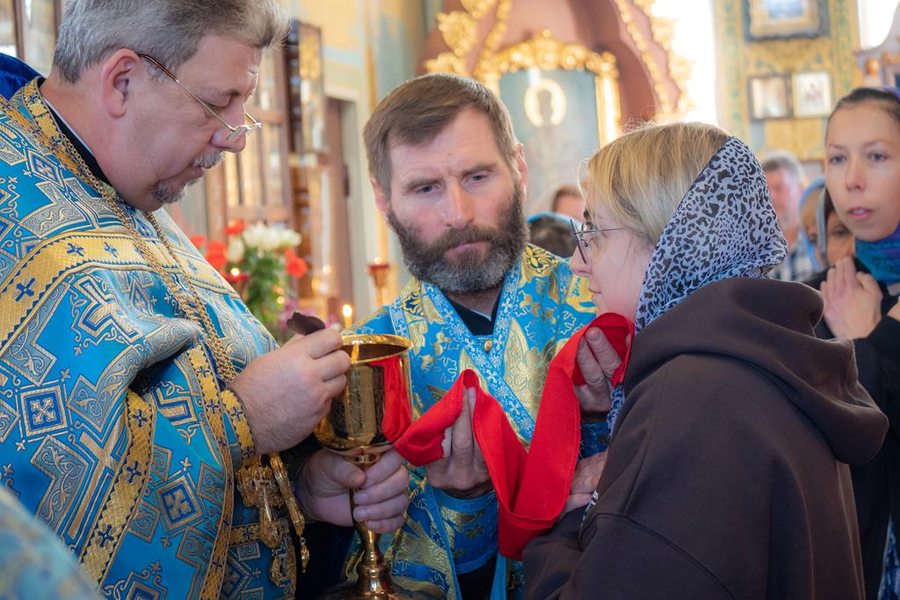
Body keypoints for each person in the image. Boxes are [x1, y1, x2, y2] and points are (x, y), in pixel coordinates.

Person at [0, 1, 409, 598]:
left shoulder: (124, 190)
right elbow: (45, 496)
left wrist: (300, 491)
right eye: (219, 104)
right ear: (123, 81)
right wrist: (240, 422)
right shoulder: (14, 209)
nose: (236, 139)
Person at [523, 122, 888, 598]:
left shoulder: (691, 396)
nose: (577, 260)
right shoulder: (764, 354)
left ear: (671, 245)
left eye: (594, 232)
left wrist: (566, 522)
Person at [351, 73, 598, 599]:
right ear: (382, 198)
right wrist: (462, 507)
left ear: (519, 167)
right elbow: (365, 567)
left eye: (478, 176)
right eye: (425, 188)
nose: (458, 214)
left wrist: (601, 423)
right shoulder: (368, 365)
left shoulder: (599, 304)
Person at [812, 86, 900, 599]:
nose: (852, 180)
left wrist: (867, 342)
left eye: (877, 156)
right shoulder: (815, 299)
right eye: (837, 159)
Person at [760, 150, 816, 281]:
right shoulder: (756, 249)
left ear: (801, 189)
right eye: (765, 190)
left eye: (779, 188)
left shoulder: (818, 241)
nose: (771, 196)